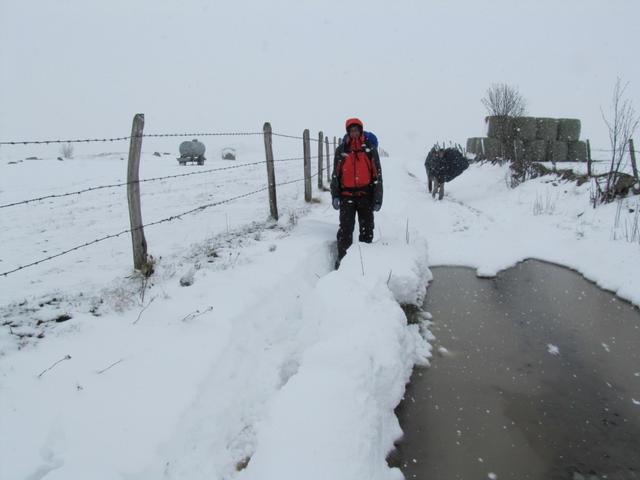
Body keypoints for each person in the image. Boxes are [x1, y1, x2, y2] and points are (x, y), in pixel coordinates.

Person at [331, 118, 383, 269]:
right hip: (347, 196)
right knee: (345, 230)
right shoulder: (341, 151)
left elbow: (377, 175)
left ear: (360, 131)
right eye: (351, 130)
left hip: (365, 196)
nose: (354, 132)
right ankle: (343, 262)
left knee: (367, 230)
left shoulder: (369, 150)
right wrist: (335, 195)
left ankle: (364, 264)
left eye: (356, 130)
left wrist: (377, 198)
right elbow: (336, 175)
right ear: (348, 131)